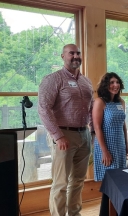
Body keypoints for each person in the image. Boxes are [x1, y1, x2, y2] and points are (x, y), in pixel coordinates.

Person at [38, 44, 94, 216]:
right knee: (61, 183)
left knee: (77, 181)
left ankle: (74, 213)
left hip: (83, 135)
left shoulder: (86, 81)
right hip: (64, 136)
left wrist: (91, 132)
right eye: (71, 53)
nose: (76, 56)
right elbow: (43, 109)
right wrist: (58, 136)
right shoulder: (53, 79)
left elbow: (90, 108)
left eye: (78, 53)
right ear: (63, 56)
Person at [92, 72, 128, 216]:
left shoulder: (121, 102)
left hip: (120, 145)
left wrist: (127, 147)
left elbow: (123, 125)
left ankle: (117, 212)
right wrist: (104, 151)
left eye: (117, 82)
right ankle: (106, 213)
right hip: (106, 145)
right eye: (112, 83)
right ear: (106, 85)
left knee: (119, 181)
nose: (115, 85)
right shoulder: (100, 102)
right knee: (110, 182)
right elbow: (97, 127)